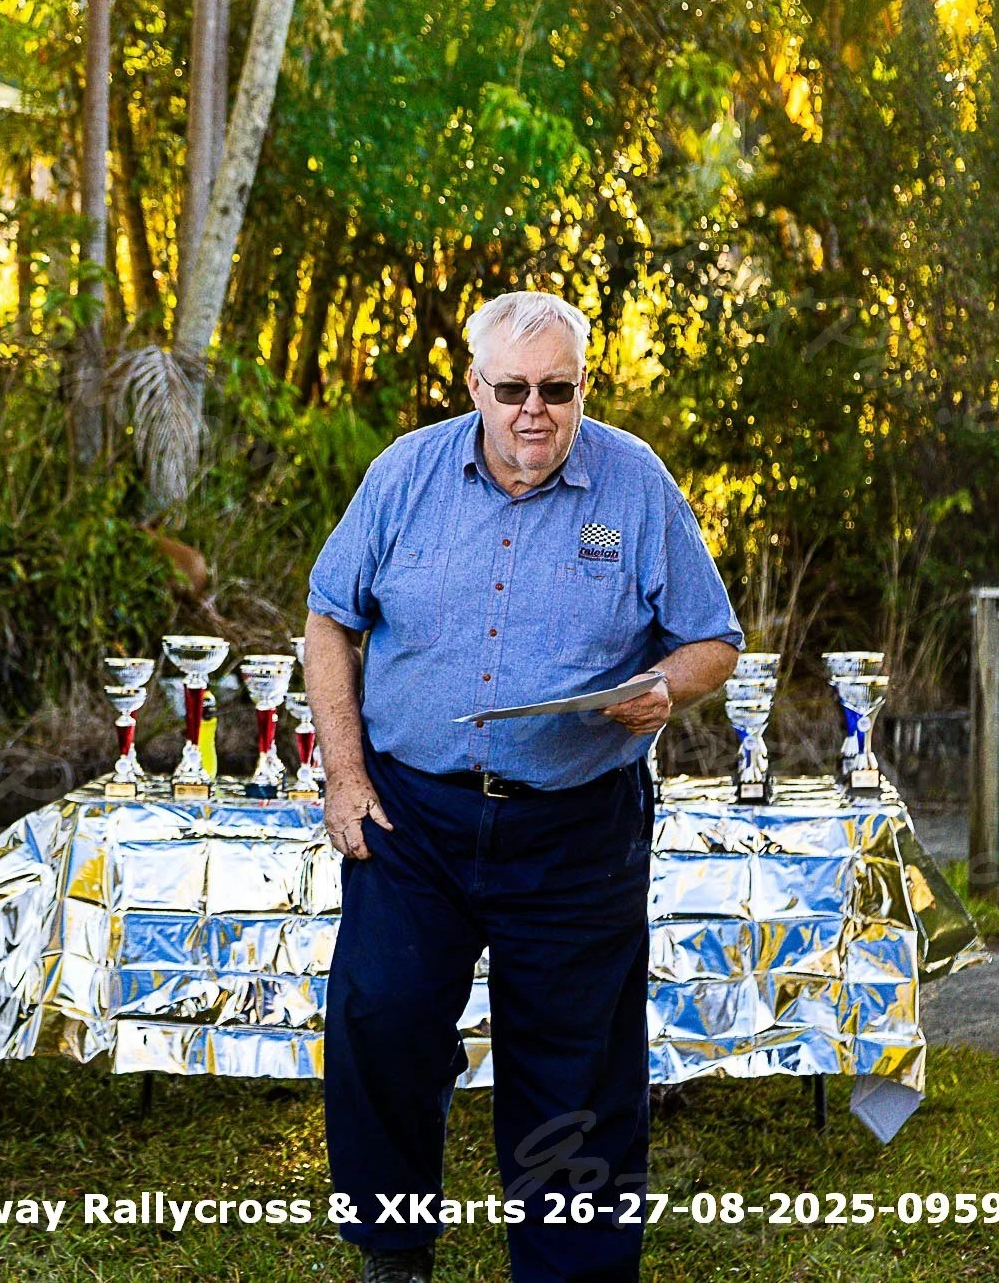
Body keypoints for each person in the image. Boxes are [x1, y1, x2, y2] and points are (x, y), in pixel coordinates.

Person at [303, 291, 742, 1283]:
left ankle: (570, 1272)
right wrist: (343, 776)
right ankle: (393, 1251)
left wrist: (661, 687)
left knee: (574, 1064)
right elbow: (328, 616)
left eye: (556, 389)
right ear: (474, 389)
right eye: (510, 390)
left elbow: (711, 641)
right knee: (382, 1020)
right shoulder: (404, 474)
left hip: (576, 829)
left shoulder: (633, 484)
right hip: (411, 817)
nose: (532, 411)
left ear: (582, 388)